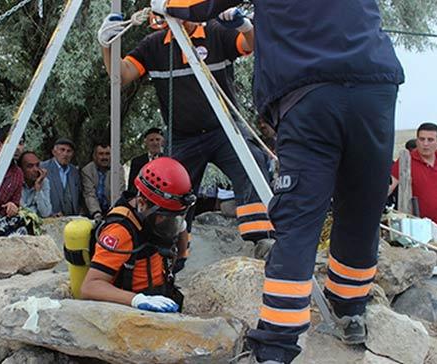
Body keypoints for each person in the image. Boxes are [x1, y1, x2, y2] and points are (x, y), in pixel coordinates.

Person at [149, 0, 405, 362]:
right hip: (373, 83)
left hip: (310, 91)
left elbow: (200, 4)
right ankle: (350, 306)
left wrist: (166, 3)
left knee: (299, 215)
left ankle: (276, 346)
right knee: (364, 203)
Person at [98, 8, 275, 258]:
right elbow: (121, 75)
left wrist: (245, 26)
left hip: (223, 128)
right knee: (171, 190)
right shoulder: (154, 45)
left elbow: (251, 44)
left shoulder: (216, 32)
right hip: (183, 136)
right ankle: (172, 254)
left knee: (253, 163)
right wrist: (107, 45)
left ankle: (262, 241)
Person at [80, 157, 194, 312]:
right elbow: (90, 287)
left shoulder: (158, 218)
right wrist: (136, 300)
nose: (169, 222)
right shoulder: (120, 231)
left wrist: (180, 229)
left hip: (160, 293)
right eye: (165, 216)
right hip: (130, 306)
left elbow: (181, 247)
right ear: (141, 203)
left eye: (176, 216)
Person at [81, 142, 126, 219]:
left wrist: (114, 213)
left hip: (113, 210)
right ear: (94, 156)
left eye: (107, 154)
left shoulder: (118, 169)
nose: (104, 157)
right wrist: (96, 214)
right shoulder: (87, 170)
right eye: (101, 154)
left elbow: (119, 192)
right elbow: (89, 194)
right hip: (91, 213)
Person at [41, 138, 81, 216]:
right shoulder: (43, 168)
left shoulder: (75, 171)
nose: (65, 154)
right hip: (51, 219)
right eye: (62, 150)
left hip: (72, 219)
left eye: (69, 151)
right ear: (54, 152)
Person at [128, 127, 164, 194]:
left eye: (157, 139)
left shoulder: (167, 161)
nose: (155, 143)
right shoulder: (137, 161)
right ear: (146, 142)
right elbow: (132, 185)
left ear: (162, 142)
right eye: (151, 140)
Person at [19, 151, 52, 218]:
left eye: (37, 165)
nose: (36, 169)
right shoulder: (17, 182)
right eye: (30, 166)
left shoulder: (43, 181)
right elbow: (23, 213)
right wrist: (35, 209)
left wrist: (38, 189)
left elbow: (46, 213)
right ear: (21, 169)